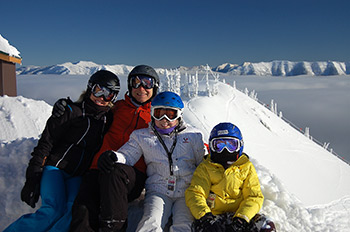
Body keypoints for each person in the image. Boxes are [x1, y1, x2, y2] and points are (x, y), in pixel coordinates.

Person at [4, 70, 120, 232]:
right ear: (90, 88)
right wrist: (32, 178)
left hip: (78, 175)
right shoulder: (71, 112)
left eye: (109, 95)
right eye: (99, 91)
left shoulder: (108, 119)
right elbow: (46, 143)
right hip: (55, 169)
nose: (102, 98)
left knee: (71, 213)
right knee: (53, 210)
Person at [98, 91, 207, 232]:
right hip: (158, 189)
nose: (164, 119)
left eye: (171, 114)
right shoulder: (142, 136)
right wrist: (114, 157)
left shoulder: (193, 136)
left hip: (186, 191)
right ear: (152, 113)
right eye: (159, 113)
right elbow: (127, 155)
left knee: (184, 223)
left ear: (179, 115)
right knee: (151, 220)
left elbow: (203, 164)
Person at [68, 65, 160, 231]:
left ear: (155, 87)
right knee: (83, 210)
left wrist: (206, 150)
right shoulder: (116, 107)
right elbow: (91, 109)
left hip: (131, 175)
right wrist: (67, 109)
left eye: (147, 83)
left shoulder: (157, 115)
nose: (141, 88)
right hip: (98, 168)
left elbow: (180, 132)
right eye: (136, 82)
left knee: (115, 173)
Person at [185, 122, 276, 232]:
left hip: (239, 216)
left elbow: (254, 196)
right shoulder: (206, 167)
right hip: (214, 216)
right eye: (219, 145)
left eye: (231, 145)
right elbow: (195, 193)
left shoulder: (245, 167)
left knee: (266, 226)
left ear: (240, 146)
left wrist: (242, 218)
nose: (225, 150)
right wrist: (206, 217)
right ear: (211, 146)